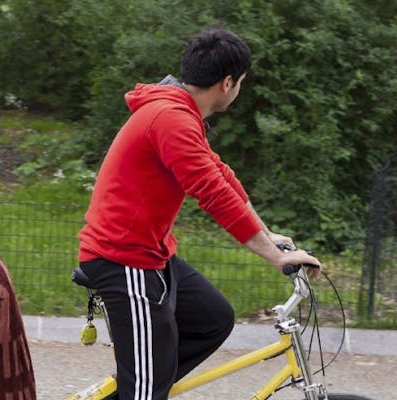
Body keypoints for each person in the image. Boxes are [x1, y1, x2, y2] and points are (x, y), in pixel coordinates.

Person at [76, 28, 322, 400]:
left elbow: (220, 177)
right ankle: (141, 386)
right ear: (227, 83)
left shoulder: (180, 115)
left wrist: (267, 234)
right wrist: (274, 256)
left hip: (151, 254)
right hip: (122, 261)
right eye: (240, 83)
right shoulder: (170, 118)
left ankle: (140, 381)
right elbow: (212, 194)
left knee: (212, 319)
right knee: (145, 392)